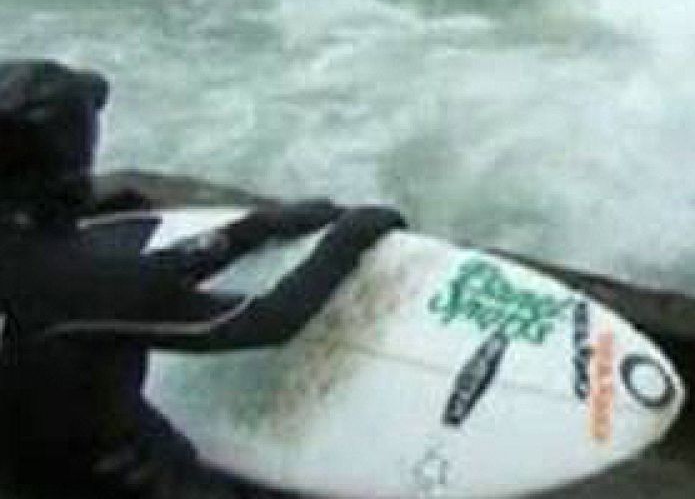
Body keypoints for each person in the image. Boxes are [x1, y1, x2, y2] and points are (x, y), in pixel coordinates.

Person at [0, 60, 403, 497]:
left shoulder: (43, 261)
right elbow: (268, 320)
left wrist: (253, 229)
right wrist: (350, 237)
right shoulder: (83, 283)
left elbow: (135, 284)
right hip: (93, 475)